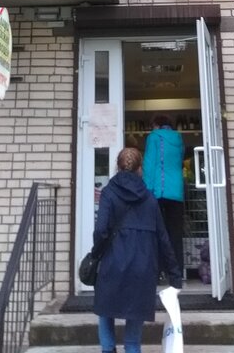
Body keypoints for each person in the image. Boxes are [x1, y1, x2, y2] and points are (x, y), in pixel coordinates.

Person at [93, 146, 182, 353]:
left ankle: (108, 349)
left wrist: (96, 254)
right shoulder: (149, 199)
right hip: (142, 268)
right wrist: (174, 275)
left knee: (105, 309)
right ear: (140, 168)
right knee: (133, 341)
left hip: (112, 263)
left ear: (117, 167)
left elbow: (101, 230)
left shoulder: (108, 193)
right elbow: (163, 238)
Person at [142, 114, 185, 276]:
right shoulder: (178, 138)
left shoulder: (154, 137)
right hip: (177, 192)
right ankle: (177, 271)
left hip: (159, 192)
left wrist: (147, 191)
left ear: (156, 125)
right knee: (175, 233)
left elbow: (149, 165)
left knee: (157, 232)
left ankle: (158, 270)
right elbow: (179, 161)